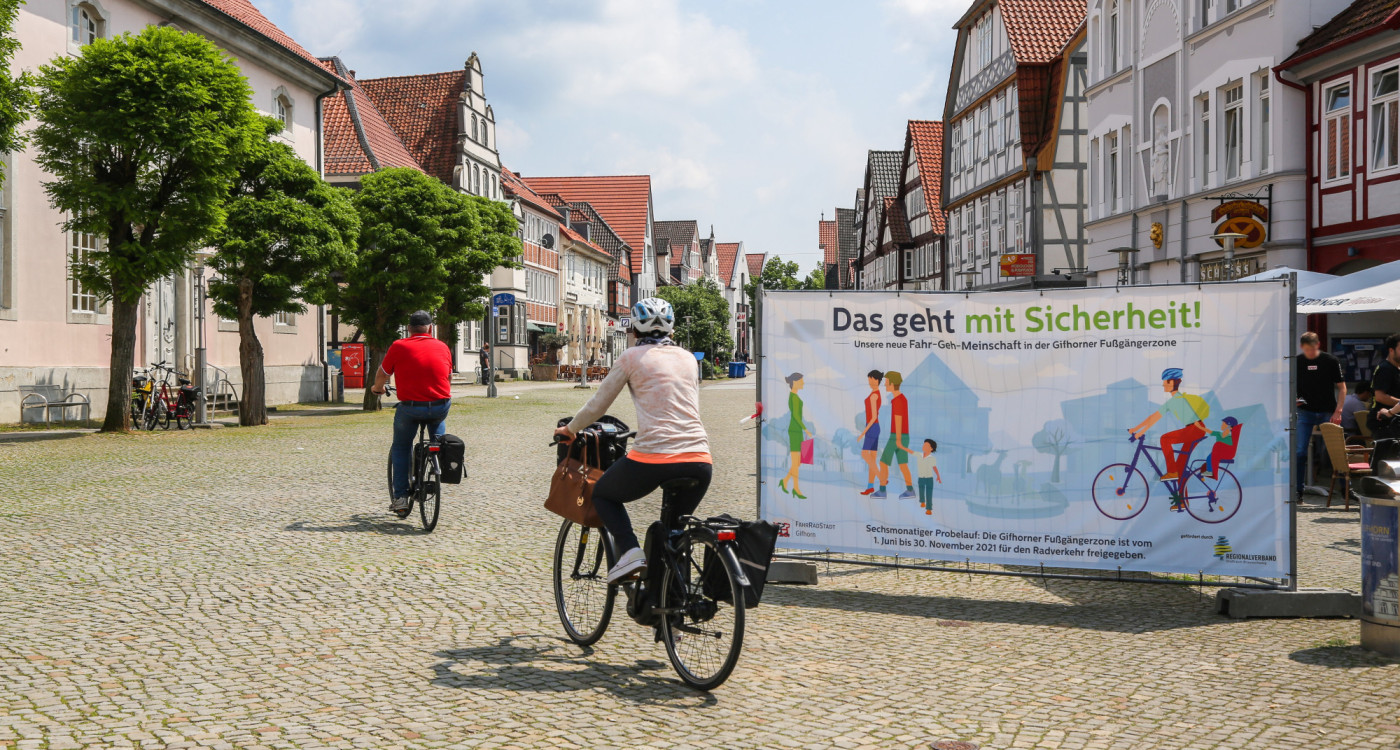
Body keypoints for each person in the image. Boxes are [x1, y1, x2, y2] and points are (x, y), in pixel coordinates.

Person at [553, 297, 711, 584]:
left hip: (654, 456)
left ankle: (629, 551)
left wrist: (572, 429)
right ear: (671, 329)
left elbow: (598, 404)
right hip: (699, 459)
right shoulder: (688, 358)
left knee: (603, 494)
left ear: (634, 330)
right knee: (674, 533)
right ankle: (672, 607)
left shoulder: (630, 358)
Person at [373, 310, 453, 514]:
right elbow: (448, 376)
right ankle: (436, 452)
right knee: (438, 437)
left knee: (401, 447)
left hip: (410, 407)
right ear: (430, 328)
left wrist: (377, 388)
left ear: (409, 329)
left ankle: (400, 498)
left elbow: (382, 373)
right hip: (440, 405)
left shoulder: (399, 346)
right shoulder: (442, 346)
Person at [1129, 367, 1210, 510]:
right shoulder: (1174, 400)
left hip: (1195, 429)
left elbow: (1154, 418)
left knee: (1165, 439)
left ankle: (1172, 471)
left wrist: (1139, 432)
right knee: (1180, 468)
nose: (1163, 384)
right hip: (1194, 430)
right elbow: (1153, 417)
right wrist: (1136, 430)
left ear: (1172, 382)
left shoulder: (1176, 400)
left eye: (1165, 381)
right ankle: (1182, 502)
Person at [1296, 332, 1346, 495]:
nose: (1310, 353)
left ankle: (1346, 488)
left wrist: (1338, 410)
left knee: (1336, 450)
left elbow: (1342, 387)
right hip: (1305, 411)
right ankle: (1298, 489)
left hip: (1327, 411)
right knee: (1300, 451)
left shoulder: (1330, 361)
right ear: (1301, 347)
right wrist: (1295, 399)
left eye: (1312, 349)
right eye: (1306, 349)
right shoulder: (1297, 362)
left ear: (1318, 345)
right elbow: (1289, 385)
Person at [874, 371, 917, 500]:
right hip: (904, 436)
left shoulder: (898, 400)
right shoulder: (902, 399)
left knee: (883, 462)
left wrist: (897, 439)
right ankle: (910, 490)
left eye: (887, 382)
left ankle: (882, 491)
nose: (885, 385)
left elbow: (898, 419)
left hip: (896, 436)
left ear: (892, 384)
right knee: (903, 464)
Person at [779, 373, 813, 499]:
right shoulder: (793, 397)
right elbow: (796, 417)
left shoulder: (795, 396)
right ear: (795, 382)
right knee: (795, 462)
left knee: (797, 463)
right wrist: (806, 429)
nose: (803, 383)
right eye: (801, 381)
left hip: (797, 430)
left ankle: (785, 481)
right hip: (794, 430)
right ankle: (796, 489)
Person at [857, 370, 883, 496]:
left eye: (870, 379)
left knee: (864, 454)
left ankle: (881, 478)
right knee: (872, 458)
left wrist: (863, 433)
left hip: (872, 427)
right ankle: (870, 486)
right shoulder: (875, 393)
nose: (869, 382)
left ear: (876, 380)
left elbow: (873, 417)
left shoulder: (874, 396)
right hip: (875, 427)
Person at [1371, 334, 1400, 440]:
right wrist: (1397, 406)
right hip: (1385, 423)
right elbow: (1380, 396)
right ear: (1391, 350)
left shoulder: (1396, 369)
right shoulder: (1385, 369)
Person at [917, 439, 942, 514]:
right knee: (921, 491)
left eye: (926, 446)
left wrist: (938, 476)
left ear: (931, 449)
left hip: (929, 479)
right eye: (924, 445)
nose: (924, 446)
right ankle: (922, 501)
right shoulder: (919, 455)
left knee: (929, 493)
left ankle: (929, 509)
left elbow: (934, 467)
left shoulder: (932, 458)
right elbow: (911, 451)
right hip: (921, 477)